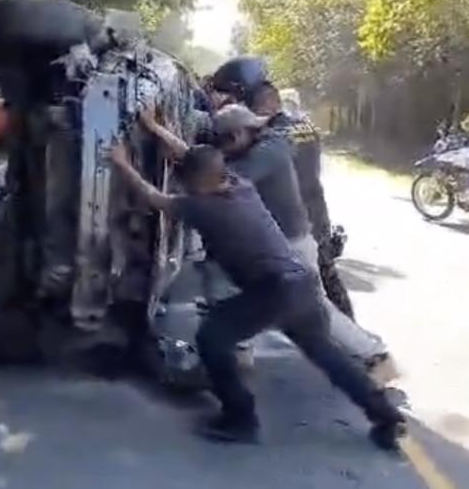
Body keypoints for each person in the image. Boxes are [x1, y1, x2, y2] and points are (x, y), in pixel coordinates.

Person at [109, 141, 406, 449]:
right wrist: (156, 129)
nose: (183, 185)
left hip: (274, 291)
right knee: (328, 356)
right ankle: (386, 415)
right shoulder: (239, 184)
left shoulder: (201, 207)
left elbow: (154, 198)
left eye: (186, 180)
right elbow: (194, 158)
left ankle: (241, 418)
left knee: (212, 338)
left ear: (197, 182)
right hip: (302, 284)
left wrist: (122, 163)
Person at [140, 105, 398, 386]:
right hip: (276, 245)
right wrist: (156, 129)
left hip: (290, 246)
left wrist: (175, 162)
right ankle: (237, 353)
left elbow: (208, 174)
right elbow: (199, 163)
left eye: (222, 141)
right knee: (223, 285)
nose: (220, 149)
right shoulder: (264, 144)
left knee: (314, 311)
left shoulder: (264, 156)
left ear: (239, 134)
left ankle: (377, 356)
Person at [247, 82, 355, 319]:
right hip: (316, 209)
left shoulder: (276, 135)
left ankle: (337, 330)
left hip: (296, 217)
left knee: (310, 287)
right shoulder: (308, 127)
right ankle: (350, 326)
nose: (255, 113)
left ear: (272, 103)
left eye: (257, 107)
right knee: (328, 275)